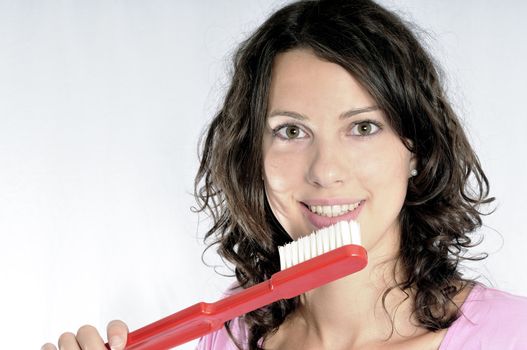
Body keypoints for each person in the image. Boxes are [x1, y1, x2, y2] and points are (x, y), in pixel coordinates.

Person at [41, 0, 527, 349]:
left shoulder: (512, 335)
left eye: (363, 126)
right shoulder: (230, 334)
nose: (326, 170)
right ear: (251, 153)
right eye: (291, 131)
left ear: (415, 149)